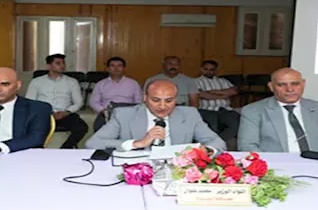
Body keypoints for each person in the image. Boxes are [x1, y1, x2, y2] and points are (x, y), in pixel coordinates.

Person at [85, 79, 226, 151]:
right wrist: (137, 143)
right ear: (145, 98)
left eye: (169, 101)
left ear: (176, 99)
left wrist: (206, 150)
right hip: (136, 169)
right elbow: (92, 143)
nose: (162, 106)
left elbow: (217, 142)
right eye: (156, 100)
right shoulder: (124, 115)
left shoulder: (189, 114)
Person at [238, 67, 318, 153]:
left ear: (303, 84)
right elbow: (247, 147)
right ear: (271, 87)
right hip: (276, 167)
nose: (289, 89)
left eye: (295, 84)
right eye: (282, 85)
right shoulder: (253, 111)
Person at [26, 54, 88, 148]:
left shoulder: (72, 82)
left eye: (63, 63)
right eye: (58, 63)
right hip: (44, 115)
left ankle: (65, 149)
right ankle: (38, 151)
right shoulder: (36, 82)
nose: (62, 66)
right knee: (34, 130)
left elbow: (79, 102)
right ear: (49, 66)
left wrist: (66, 112)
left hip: (65, 114)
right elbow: (29, 101)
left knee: (82, 127)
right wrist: (45, 113)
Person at [89, 56, 142, 132]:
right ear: (108, 68)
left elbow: (139, 102)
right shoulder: (100, 84)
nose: (116, 68)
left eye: (119, 66)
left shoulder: (133, 83)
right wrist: (103, 111)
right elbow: (93, 102)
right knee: (99, 128)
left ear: (124, 68)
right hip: (107, 112)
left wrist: (132, 112)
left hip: (128, 113)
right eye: (113, 66)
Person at [195, 60, 240, 149]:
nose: (209, 71)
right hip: (207, 110)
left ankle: (216, 144)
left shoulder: (223, 81)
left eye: (212, 69)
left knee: (238, 124)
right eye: (206, 69)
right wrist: (224, 95)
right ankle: (215, 145)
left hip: (225, 109)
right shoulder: (195, 81)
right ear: (201, 69)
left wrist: (211, 92)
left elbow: (233, 91)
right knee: (213, 129)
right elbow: (202, 95)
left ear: (215, 70)